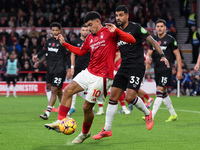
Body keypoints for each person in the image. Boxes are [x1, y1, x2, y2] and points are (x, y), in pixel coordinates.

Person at [45, 11, 136, 144]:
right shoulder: (89, 37)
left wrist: (117, 30)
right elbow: (81, 52)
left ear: (98, 22)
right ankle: (60, 121)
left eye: (90, 25)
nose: (89, 28)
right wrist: (65, 44)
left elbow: (131, 40)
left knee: (87, 107)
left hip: (103, 77)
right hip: (89, 71)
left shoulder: (110, 32)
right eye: (87, 26)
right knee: (68, 90)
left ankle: (84, 133)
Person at [93, 5, 169, 140]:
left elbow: (152, 41)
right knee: (113, 97)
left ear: (127, 16)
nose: (118, 18)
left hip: (137, 66)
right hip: (124, 66)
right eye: (116, 16)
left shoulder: (135, 28)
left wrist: (162, 55)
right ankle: (107, 130)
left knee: (129, 97)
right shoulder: (114, 31)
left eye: (121, 15)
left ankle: (147, 113)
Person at [145, 19, 182, 122]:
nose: (159, 28)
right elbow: (149, 53)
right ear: (155, 28)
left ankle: (150, 116)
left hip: (166, 69)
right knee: (163, 93)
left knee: (159, 91)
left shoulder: (170, 39)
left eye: (161, 26)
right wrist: (147, 58)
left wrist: (179, 71)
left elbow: (178, 56)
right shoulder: (153, 40)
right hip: (157, 69)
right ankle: (173, 115)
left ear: (165, 28)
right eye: (158, 26)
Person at [32, 22, 71, 120]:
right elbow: (44, 51)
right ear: (51, 31)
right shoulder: (48, 41)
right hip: (50, 70)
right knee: (57, 91)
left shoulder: (63, 41)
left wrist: (69, 68)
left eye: (57, 30)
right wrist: (37, 57)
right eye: (53, 30)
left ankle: (47, 113)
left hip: (59, 70)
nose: (55, 32)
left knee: (54, 90)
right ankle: (66, 111)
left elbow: (69, 56)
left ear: (60, 31)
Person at [68, 24, 90, 115]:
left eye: (86, 30)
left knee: (87, 88)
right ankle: (72, 107)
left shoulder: (91, 41)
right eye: (83, 30)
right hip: (77, 68)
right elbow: (73, 54)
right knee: (73, 86)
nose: (85, 32)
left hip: (88, 68)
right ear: (80, 31)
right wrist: (72, 67)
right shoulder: (75, 42)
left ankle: (90, 106)